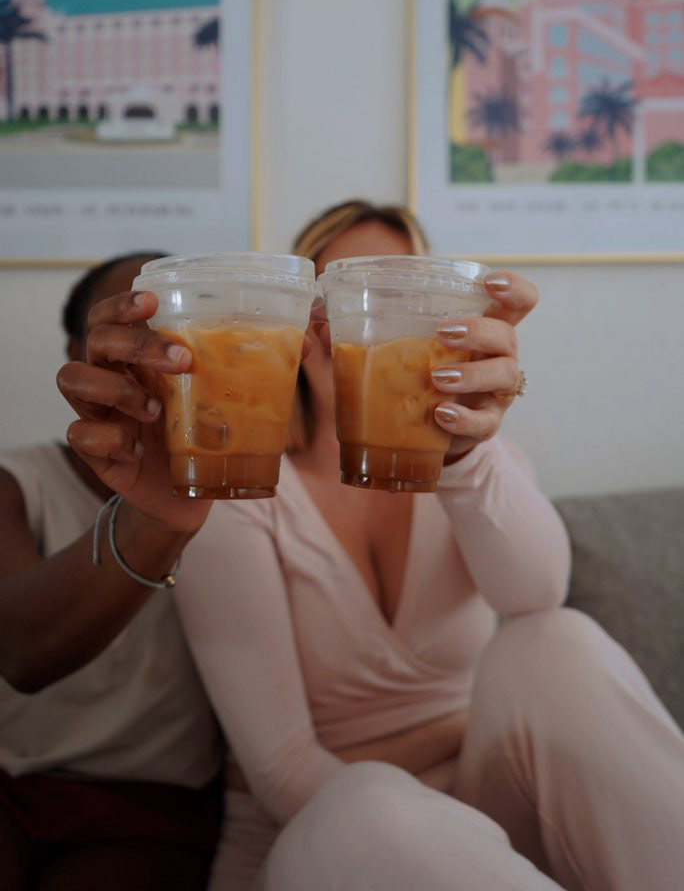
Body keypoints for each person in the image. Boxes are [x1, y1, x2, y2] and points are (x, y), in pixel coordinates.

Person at [57, 204, 684, 891]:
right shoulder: (235, 483)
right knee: (369, 807)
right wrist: (461, 745)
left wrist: (468, 458)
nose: (358, 315)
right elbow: (282, 771)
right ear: (294, 317)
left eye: (394, 292)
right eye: (334, 292)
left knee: (556, 644)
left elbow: (536, 598)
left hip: (487, 826)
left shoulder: (472, 461)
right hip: (324, 838)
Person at [0, 253, 224, 891]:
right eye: (134, 333)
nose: (159, 354)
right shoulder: (16, 482)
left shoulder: (243, 485)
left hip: (156, 807)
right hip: (13, 788)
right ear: (80, 354)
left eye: (181, 329)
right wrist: (154, 518)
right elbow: (21, 652)